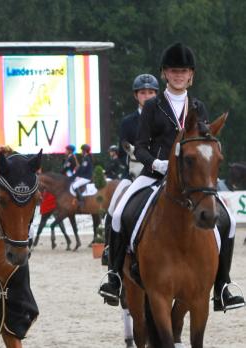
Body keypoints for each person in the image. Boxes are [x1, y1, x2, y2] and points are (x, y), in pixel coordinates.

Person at [98, 42, 244, 312]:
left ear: (191, 75)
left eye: (184, 71)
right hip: (154, 175)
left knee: (230, 220)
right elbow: (140, 146)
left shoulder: (198, 106)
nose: (179, 75)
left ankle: (222, 286)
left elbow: (204, 142)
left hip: (190, 181)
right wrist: (157, 163)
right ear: (165, 73)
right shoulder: (153, 106)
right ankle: (115, 277)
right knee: (118, 215)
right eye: (174, 71)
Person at [118, 74, 159, 179]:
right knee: (120, 193)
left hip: (160, 171)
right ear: (136, 95)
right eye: (142, 93)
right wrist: (135, 163)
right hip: (134, 172)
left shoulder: (164, 119)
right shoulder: (127, 122)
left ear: (156, 95)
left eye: (151, 92)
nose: (147, 96)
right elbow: (122, 154)